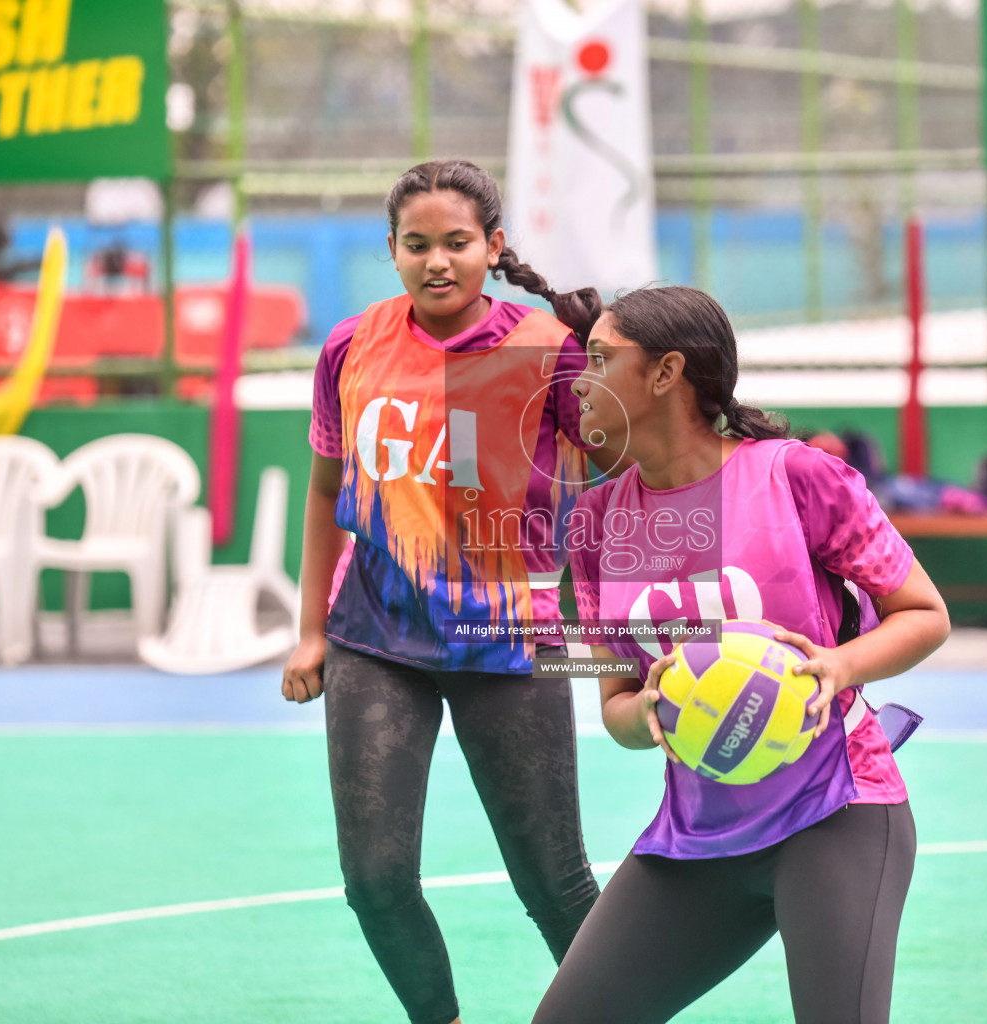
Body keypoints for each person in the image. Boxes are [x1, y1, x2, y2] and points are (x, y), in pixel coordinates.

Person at [532, 286, 951, 1024]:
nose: (580, 381)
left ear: (665, 374)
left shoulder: (794, 478)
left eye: (599, 359)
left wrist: (839, 665)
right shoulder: (595, 521)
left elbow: (924, 614)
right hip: (696, 838)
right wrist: (651, 709)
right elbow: (617, 707)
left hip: (835, 813)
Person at [279, 160, 617, 1024]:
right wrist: (311, 631)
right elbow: (326, 491)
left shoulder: (548, 348)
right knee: (375, 880)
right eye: (417, 244)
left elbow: (617, 483)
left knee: (555, 879)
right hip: (373, 638)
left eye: (457, 243)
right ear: (391, 251)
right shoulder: (351, 345)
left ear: (493, 247)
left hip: (509, 643)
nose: (438, 261)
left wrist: (621, 621)